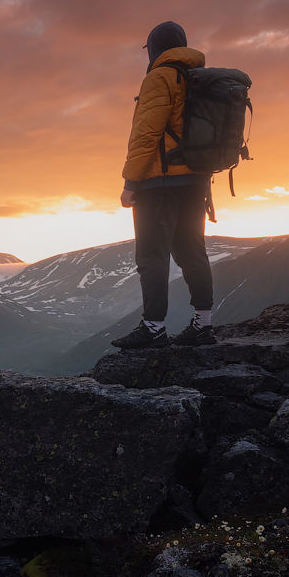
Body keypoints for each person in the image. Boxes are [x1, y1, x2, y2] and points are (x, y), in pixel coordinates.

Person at [110, 21, 216, 349]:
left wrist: (131, 181)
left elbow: (146, 133)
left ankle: (153, 328)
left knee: (153, 255)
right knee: (191, 249)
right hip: (197, 179)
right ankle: (203, 325)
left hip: (160, 181)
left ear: (155, 48)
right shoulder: (198, 77)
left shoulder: (160, 77)